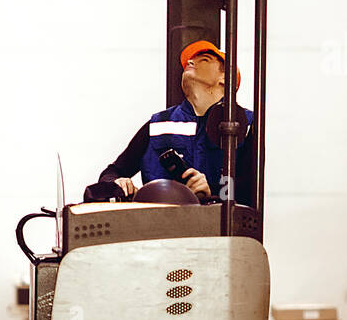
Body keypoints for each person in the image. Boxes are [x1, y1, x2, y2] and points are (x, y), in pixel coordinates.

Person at [88, 40, 254, 203]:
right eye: (190, 60)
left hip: (217, 228)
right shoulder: (158, 124)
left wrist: (213, 189)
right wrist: (117, 183)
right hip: (162, 227)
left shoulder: (245, 124)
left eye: (203, 59)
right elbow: (113, 172)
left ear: (225, 79)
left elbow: (250, 189)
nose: (189, 62)